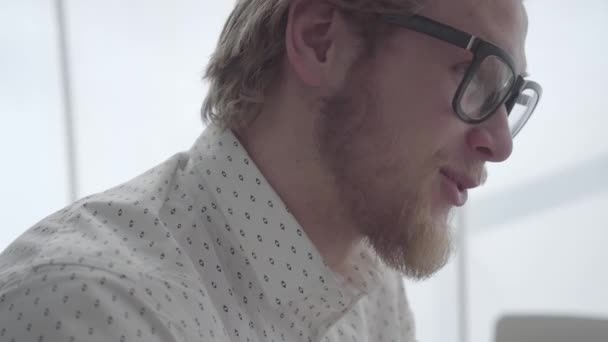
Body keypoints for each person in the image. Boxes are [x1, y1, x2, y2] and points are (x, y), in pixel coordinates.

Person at [0, 0, 541, 341]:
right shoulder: (96, 311)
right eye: (476, 78)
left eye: (509, 99)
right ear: (320, 40)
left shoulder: (371, 285)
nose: (498, 144)